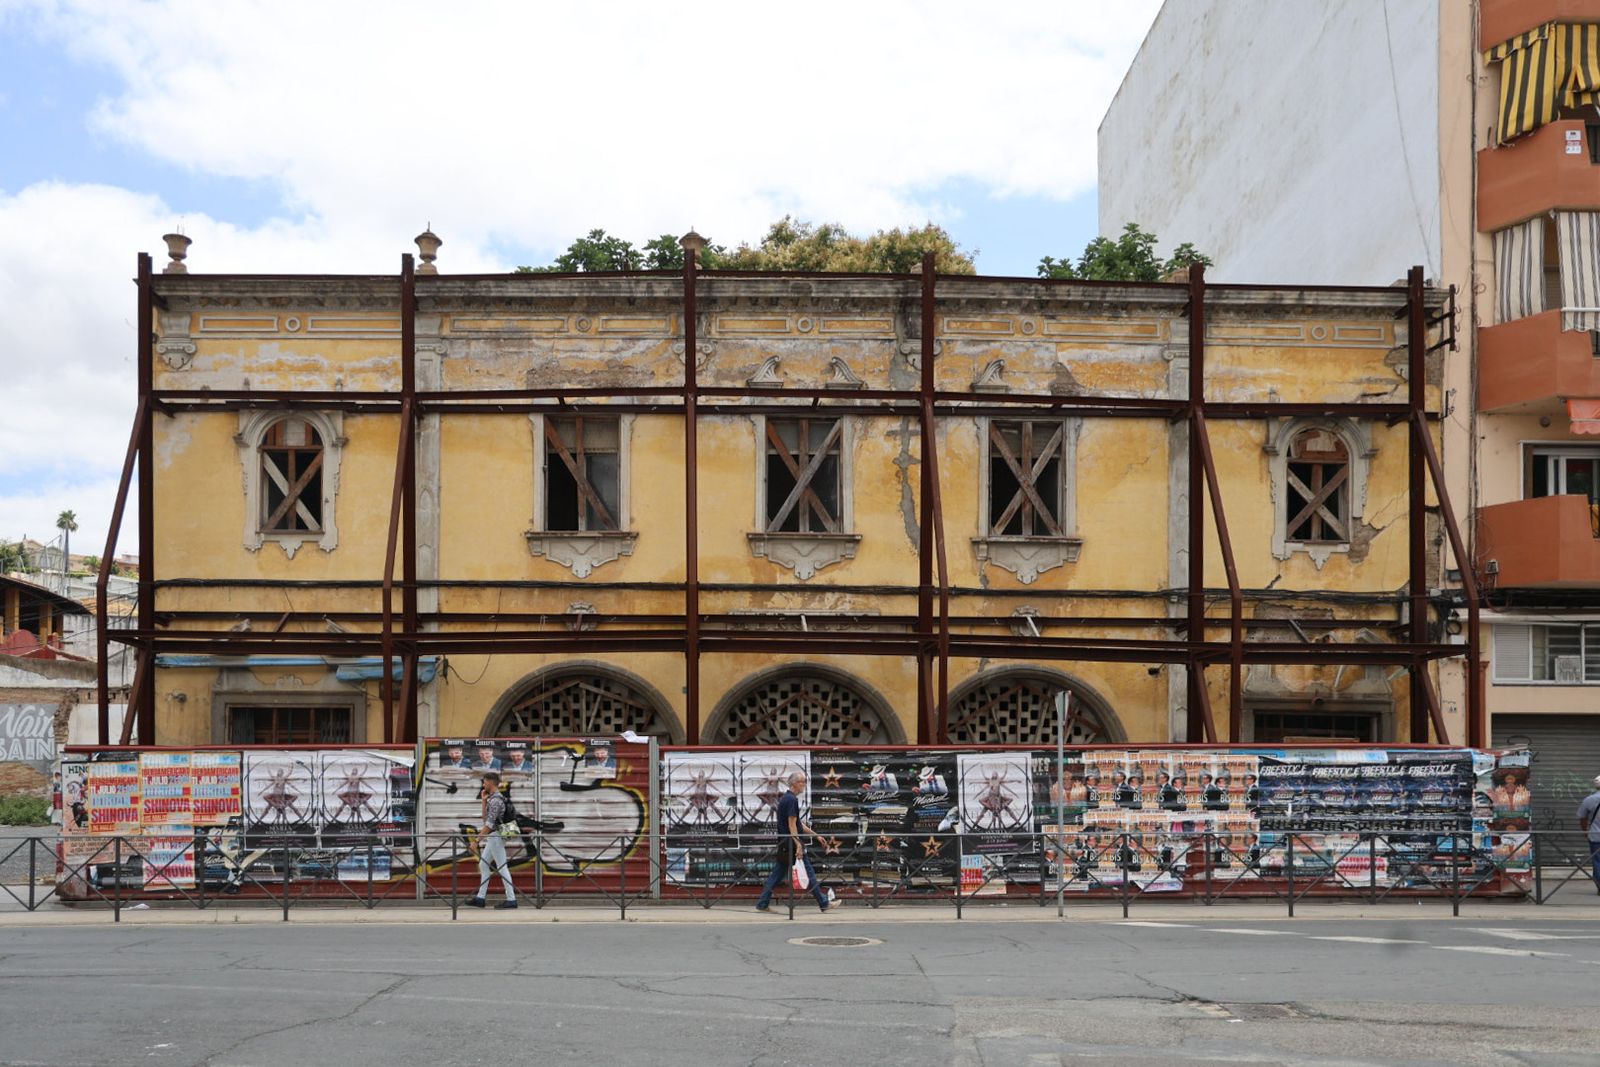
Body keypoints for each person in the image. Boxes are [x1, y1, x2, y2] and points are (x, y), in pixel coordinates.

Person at [756, 772, 832, 912]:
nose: (805, 784)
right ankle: (823, 903)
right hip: (791, 844)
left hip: (785, 844)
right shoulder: (791, 800)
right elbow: (792, 826)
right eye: (803, 781)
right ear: (794, 784)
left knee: (777, 875)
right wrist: (798, 844)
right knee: (809, 874)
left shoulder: (787, 799)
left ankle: (762, 903)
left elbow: (798, 824)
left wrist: (816, 835)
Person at [466, 773, 517, 909]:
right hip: (493, 837)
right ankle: (480, 898)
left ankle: (511, 900)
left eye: (484, 782)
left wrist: (476, 841)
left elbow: (488, 825)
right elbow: (485, 819)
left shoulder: (496, 801)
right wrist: (483, 801)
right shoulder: (492, 799)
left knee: (502, 866)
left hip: (496, 837)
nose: (483, 785)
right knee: (483, 865)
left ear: (490, 783)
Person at [1576, 775, 1600, 896]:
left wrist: (1585, 831)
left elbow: (1582, 818)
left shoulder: (1589, 800)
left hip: (1595, 836)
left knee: (1597, 861)